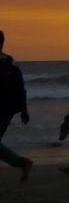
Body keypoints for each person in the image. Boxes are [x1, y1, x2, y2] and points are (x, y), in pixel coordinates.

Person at [0, 30, 35, 181]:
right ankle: (22, 163)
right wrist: (23, 109)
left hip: (5, 108)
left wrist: (24, 109)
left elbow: (20, 87)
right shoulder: (10, 62)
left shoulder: (9, 63)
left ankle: (22, 163)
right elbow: (21, 87)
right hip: (8, 107)